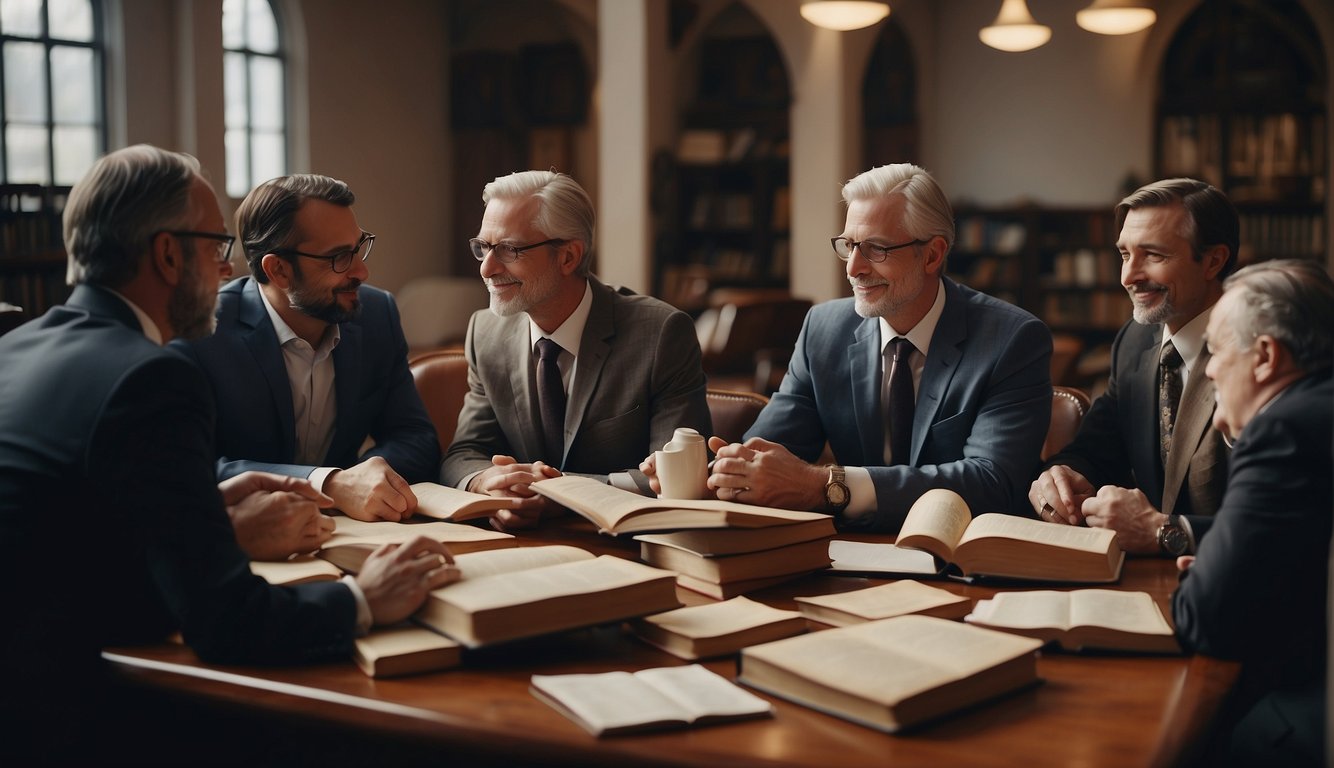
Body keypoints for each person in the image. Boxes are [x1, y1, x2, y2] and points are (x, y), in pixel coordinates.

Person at [0, 145, 456, 761]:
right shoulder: (151, 376)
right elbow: (225, 623)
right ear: (167, 254)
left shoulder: (16, 346)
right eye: (215, 247)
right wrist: (362, 599)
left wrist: (207, 508)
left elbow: (70, 528)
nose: (224, 271)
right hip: (73, 716)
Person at [659, 163, 1051, 533]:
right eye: (849, 245)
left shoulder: (1012, 339)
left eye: (876, 248)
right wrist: (708, 472)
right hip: (848, 554)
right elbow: (769, 452)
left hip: (965, 556)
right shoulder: (824, 329)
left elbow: (992, 481)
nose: (853, 268)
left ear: (932, 254)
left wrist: (828, 485)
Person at [440, 170, 710, 530]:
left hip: (623, 546)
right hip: (517, 546)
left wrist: (562, 492)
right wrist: (487, 482)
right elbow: (463, 455)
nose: (487, 268)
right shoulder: (485, 332)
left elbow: (681, 478)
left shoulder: (660, 333)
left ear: (568, 257)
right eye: (483, 247)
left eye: (509, 249)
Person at [175, 174, 440, 524]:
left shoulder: (377, 315)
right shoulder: (201, 332)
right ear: (279, 270)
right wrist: (328, 484)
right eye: (339, 258)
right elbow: (190, 466)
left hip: (356, 532)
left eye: (358, 247)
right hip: (248, 540)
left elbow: (415, 437)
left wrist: (363, 479)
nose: (362, 270)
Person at [1172, 259, 1333, 767]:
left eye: (1217, 352)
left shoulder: (1283, 428)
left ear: (1264, 356)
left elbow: (1204, 620)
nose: (1210, 370)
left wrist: (1213, 582)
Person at [1030, 178, 1235, 555]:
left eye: (1153, 255)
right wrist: (1061, 476)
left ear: (1213, 261)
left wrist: (1162, 530)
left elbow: (1286, 516)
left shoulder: (1258, 355)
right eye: (1124, 255)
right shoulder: (1134, 341)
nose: (1128, 277)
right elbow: (1096, 450)